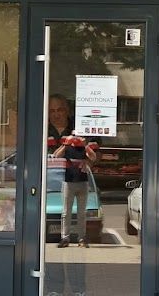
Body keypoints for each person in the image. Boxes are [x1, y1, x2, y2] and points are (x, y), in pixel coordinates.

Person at [47, 94, 98, 248]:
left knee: (81, 212)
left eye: (60, 110)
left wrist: (85, 148)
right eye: (52, 111)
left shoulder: (81, 128)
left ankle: (81, 238)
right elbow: (54, 156)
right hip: (61, 182)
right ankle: (65, 238)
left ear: (67, 111)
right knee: (66, 212)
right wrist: (67, 143)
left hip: (81, 181)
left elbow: (95, 156)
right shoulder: (43, 129)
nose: (56, 114)